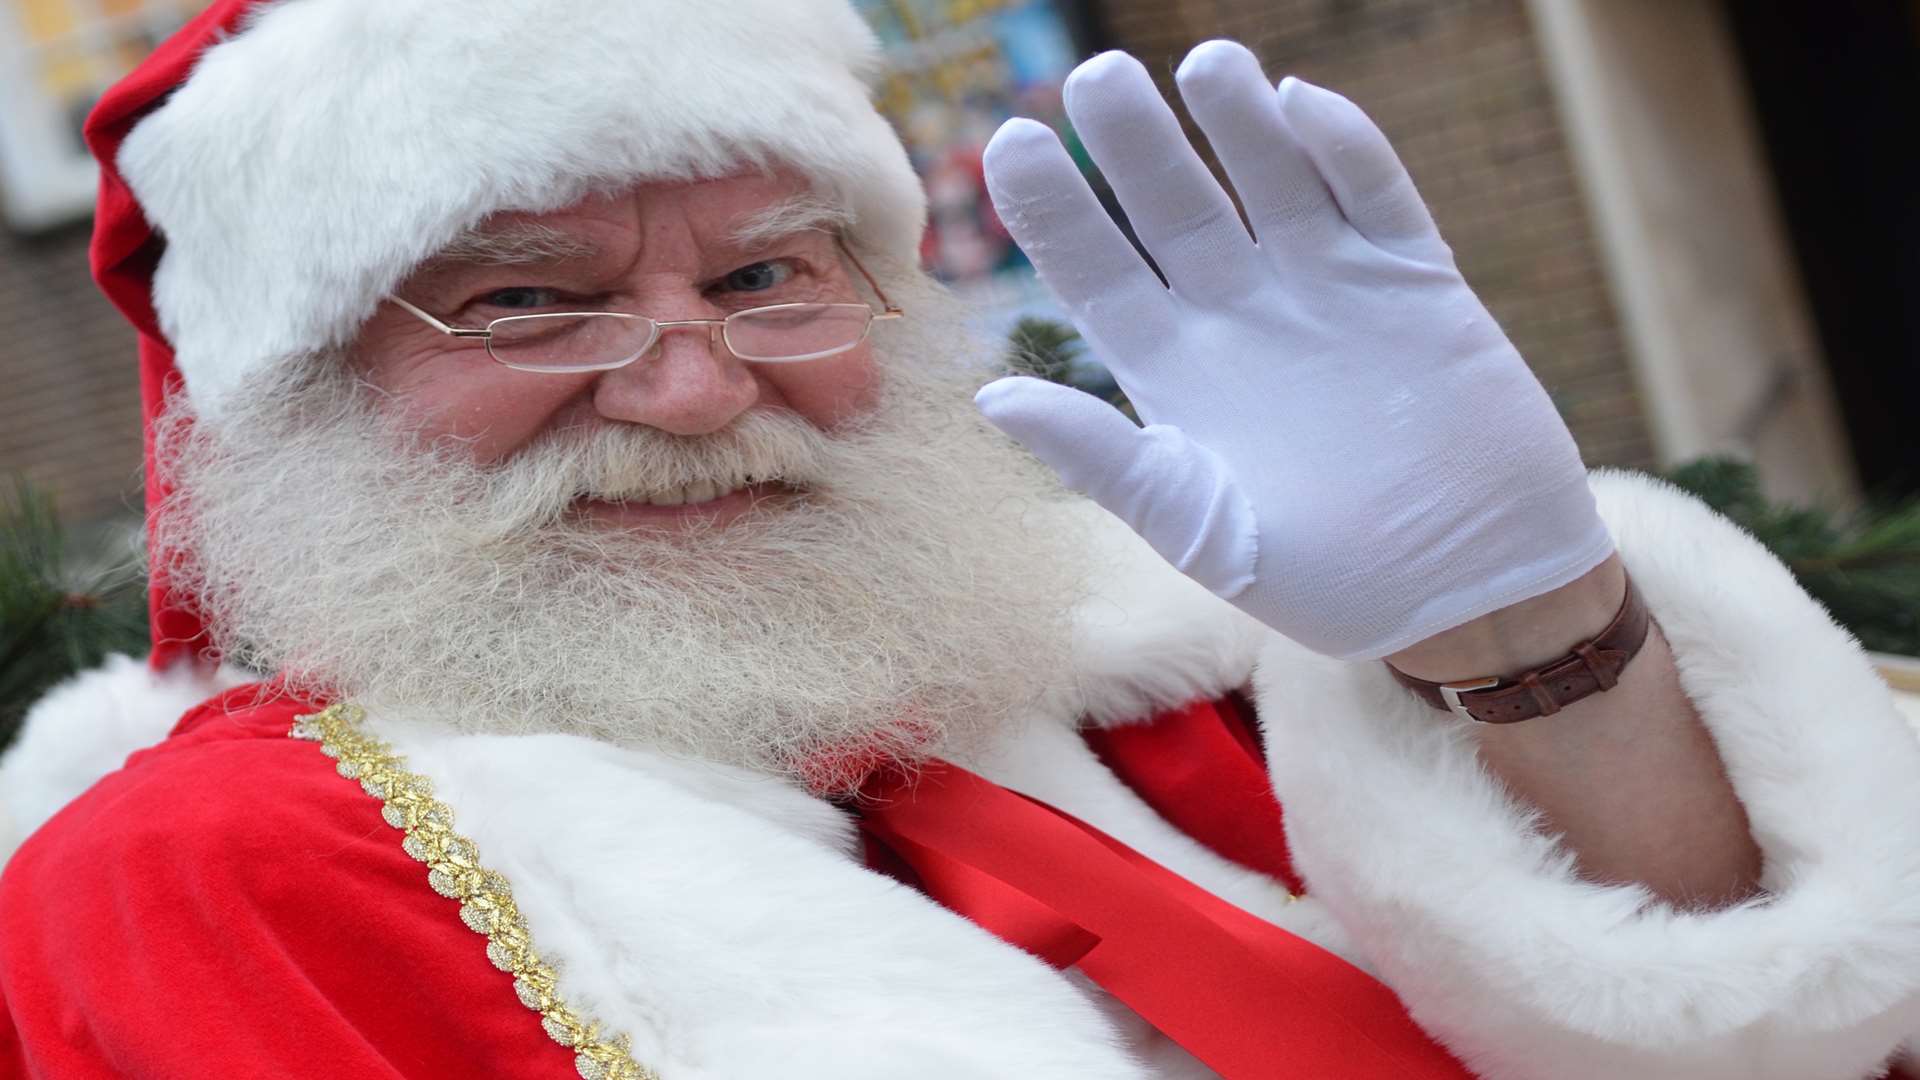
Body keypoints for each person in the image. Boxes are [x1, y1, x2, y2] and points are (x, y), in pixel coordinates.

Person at [2, 1, 1917, 1077]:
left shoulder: (1124, 650)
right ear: (290, 402)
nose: (690, 388)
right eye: (522, 305)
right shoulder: (213, 872)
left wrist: (1529, 624)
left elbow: (1773, 1038)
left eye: (768, 274)